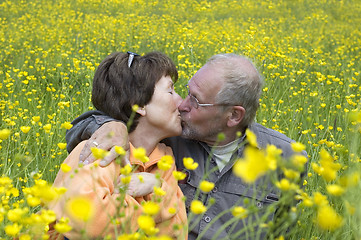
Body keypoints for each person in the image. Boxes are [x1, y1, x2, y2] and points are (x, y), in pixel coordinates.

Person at [66, 53, 307, 239]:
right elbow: (118, 108)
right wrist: (112, 124)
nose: (182, 104)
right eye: (184, 92)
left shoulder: (287, 157)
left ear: (233, 116)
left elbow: (281, 231)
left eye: (196, 100)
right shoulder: (169, 136)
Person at [48, 51, 188, 239]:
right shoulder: (99, 150)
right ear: (138, 104)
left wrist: (156, 185)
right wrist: (150, 206)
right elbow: (88, 226)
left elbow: (178, 232)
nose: (180, 102)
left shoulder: (163, 158)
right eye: (170, 91)